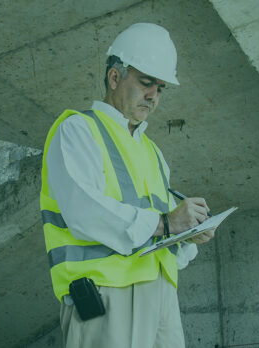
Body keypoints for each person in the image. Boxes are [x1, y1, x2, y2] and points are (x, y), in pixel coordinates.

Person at [40, 23, 216, 348]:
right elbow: (83, 211)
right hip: (107, 294)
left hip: (161, 293)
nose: (153, 96)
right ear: (114, 77)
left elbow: (163, 234)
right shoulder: (78, 130)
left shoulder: (153, 152)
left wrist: (188, 235)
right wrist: (167, 222)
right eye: (146, 83)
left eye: (161, 88)